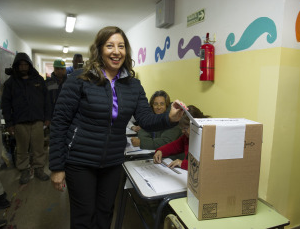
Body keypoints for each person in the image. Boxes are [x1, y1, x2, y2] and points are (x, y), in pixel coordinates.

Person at [49, 26, 186, 229]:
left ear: (126, 51)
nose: (116, 51)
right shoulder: (79, 79)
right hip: (80, 160)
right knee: (83, 216)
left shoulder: (133, 85)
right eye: (110, 45)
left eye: (121, 46)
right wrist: (57, 167)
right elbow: (59, 122)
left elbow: (146, 119)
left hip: (112, 162)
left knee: (105, 212)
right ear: (99, 49)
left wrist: (170, 117)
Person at [1, 52, 51, 185]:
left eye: (25, 65)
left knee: (38, 147)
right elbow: (5, 104)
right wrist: (9, 123)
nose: (23, 67)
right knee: (22, 148)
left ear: (29, 66)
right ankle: (24, 170)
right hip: (20, 122)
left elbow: (47, 100)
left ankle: (39, 169)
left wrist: (47, 117)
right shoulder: (10, 83)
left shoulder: (38, 80)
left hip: (37, 120)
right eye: (20, 65)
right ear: (16, 66)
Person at [153, 105, 209, 170]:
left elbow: (204, 166)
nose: (182, 131)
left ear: (195, 125)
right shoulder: (187, 137)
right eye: (181, 128)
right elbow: (175, 146)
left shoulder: (206, 139)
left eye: (185, 128)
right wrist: (161, 151)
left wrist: (182, 163)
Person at [44, 59, 68, 150]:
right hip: (53, 116)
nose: (60, 71)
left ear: (65, 69)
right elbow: (47, 101)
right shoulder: (50, 82)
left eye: (62, 69)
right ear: (54, 69)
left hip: (67, 115)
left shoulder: (69, 82)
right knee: (54, 139)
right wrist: (47, 118)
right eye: (58, 69)